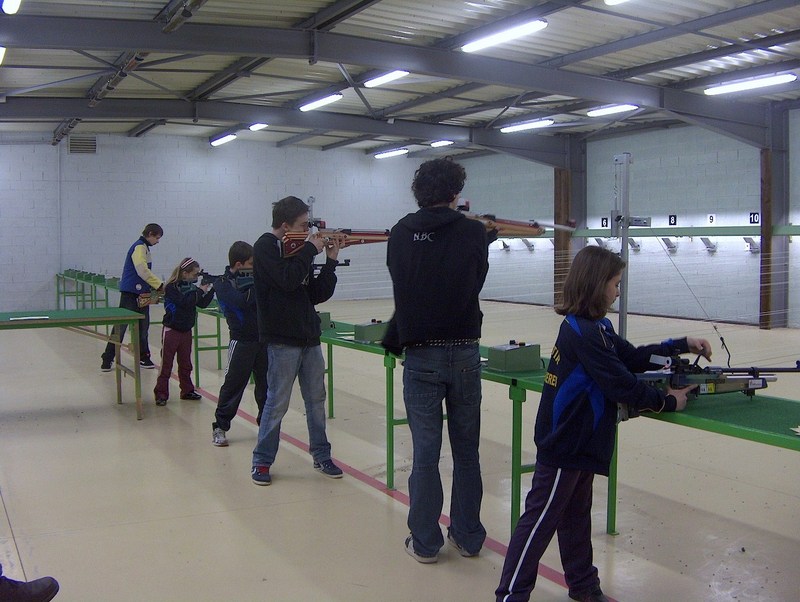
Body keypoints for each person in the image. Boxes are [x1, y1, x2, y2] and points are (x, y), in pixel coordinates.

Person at [495, 246, 712, 602]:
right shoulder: (583, 333)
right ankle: (510, 595)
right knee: (540, 520)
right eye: (615, 284)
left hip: (581, 441)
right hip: (566, 443)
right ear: (597, 286)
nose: (618, 292)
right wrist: (668, 402)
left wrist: (681, 344)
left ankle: (583, 586)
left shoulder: (597, 327)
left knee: (576, 517)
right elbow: (621, 384)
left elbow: (633, 357)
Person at [382, 157, 494, 564]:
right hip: (464, 351)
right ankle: (467, 536)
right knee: (467, 451)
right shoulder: (474, 232)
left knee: (425, 453)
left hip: (421, 353)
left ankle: (426, 542)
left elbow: (402, 281)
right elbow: (475, 280)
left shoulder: (400, 232)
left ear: (419, 192)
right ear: (455, 193)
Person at [250, 195, 344, 486]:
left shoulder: (299, 250)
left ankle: (321, 454)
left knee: (316, 400)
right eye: (303, 225)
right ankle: (262, 461)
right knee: (277, 403)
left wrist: (330, 262)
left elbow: (315, 294)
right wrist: (310, 249)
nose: (308, 230)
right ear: (285, 225)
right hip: (282, 340)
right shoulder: (265, 247)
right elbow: (287, 280)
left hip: (309, 338)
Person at [211, 241, 267, 446]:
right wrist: (257, 285)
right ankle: (220, 426)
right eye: (251, 263)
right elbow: (240, 303)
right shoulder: (222, 283)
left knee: (266, 386)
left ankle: (266, 425)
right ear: (239, 264)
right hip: (241, 341)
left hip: (263, 340)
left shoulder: (256, 279)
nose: (254, 267)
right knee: (233, 386)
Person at [101, 223, 164, 371]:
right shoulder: (139, 247)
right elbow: (142, 271)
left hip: (142, 294)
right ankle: (108, 357)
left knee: (143, 327)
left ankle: (144, 356)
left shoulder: (145, 248)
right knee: (120, 327)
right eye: (157, 238)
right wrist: (160, 285)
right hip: (130, 294)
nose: (157, 241)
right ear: (150, 234)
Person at [153, 257, 215, 406]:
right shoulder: (171, 288)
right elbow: (184, 302)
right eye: (194, 274)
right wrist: (200, 290)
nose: (196, 277)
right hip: (172, 330)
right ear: (185, 273)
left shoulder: (191, 287)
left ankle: (187, 390)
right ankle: (161, 393)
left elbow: (202, 304)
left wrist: (212, 289)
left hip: (186, 330)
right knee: (166, 364)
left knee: (186, 364)